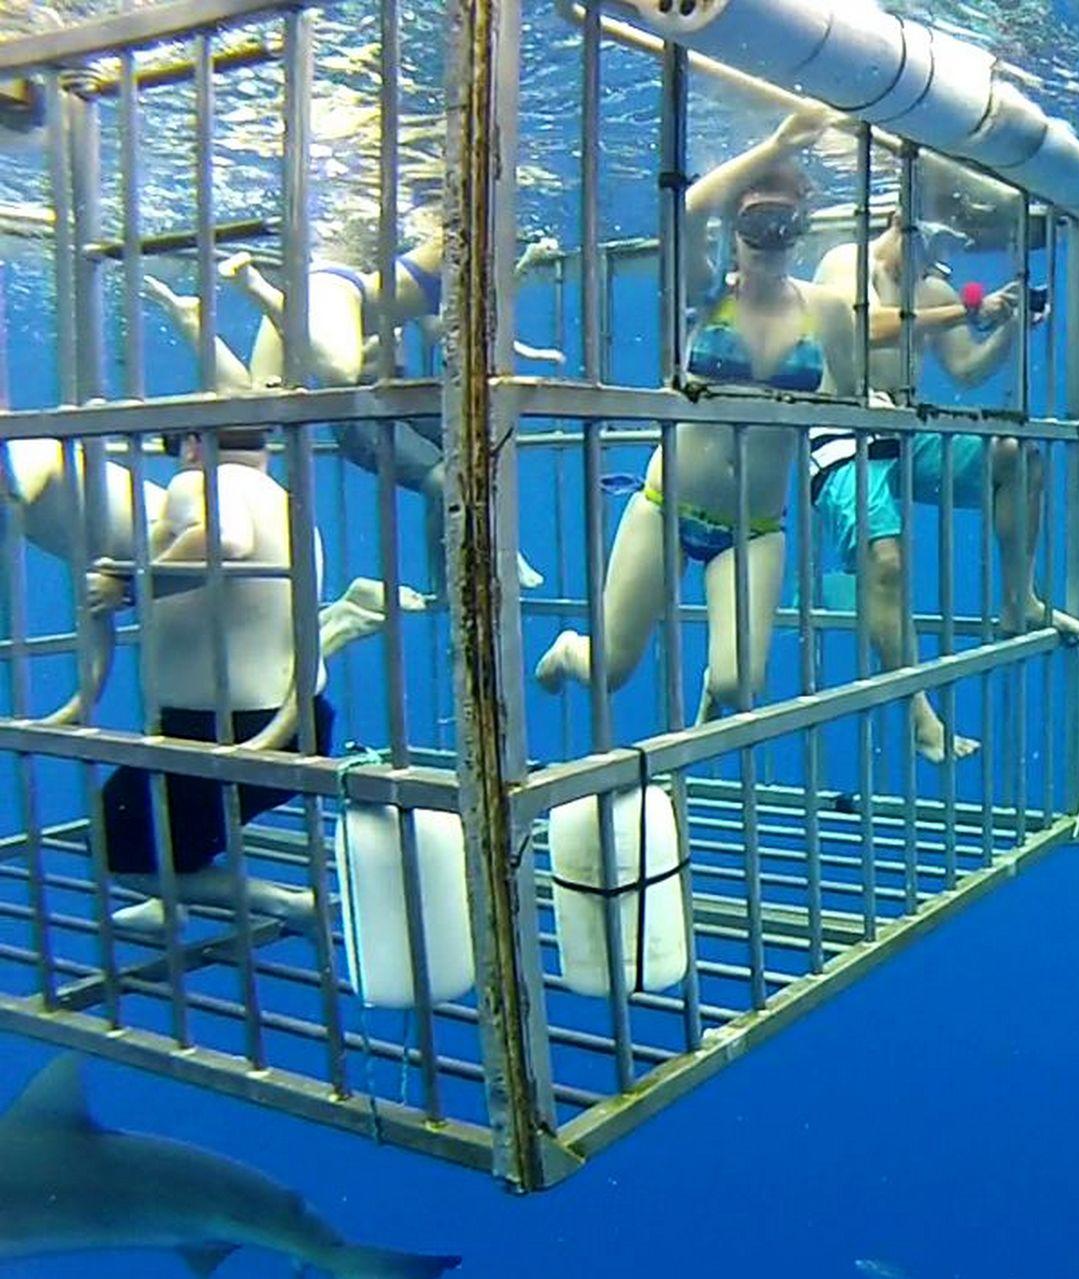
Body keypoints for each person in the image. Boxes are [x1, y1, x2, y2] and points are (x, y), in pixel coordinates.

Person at [534, 109, 860, 714]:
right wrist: (777, 145)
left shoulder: (829, 310)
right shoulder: (706, 295)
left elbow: (850, 399)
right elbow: (686, 212)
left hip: (754, 527)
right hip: (666, 505)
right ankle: (567, 652)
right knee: (610, 671)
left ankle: (711, 699)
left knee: (740, 686)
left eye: (784, 222)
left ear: (802, 230)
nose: (769, 236)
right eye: (755, 219)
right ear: (733, 225)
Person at [807, 176, 1079, 762]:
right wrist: (964, 307)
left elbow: (966, 370)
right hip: (838, 432)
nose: (937, 257)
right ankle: (919, 717)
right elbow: (864, 325)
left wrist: (1008, 326)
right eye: (930, 238)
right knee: (885, 559)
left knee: (1017, 458)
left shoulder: (932, 288)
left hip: (904, 433)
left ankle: (1019, 598)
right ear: (896, 222)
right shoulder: (845, 263)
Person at [141, 231, 554, 589]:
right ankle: (260, 291)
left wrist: (522, 274)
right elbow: (464, 320)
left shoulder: (421, 278)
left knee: (253, 403)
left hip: (381, 386)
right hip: (357, 408)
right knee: (345, 377)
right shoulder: (445, 243)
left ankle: (195, 321)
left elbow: (457, 333)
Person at [87, 427, 333, 932]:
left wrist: (129, 588)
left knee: (114, 846)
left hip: (232, 733)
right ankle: (171, 898)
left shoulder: (202, 480)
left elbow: (224, 539)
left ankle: (286, 904)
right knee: (179, 828)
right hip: (295, 720)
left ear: (193, 442)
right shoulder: (287, 505)